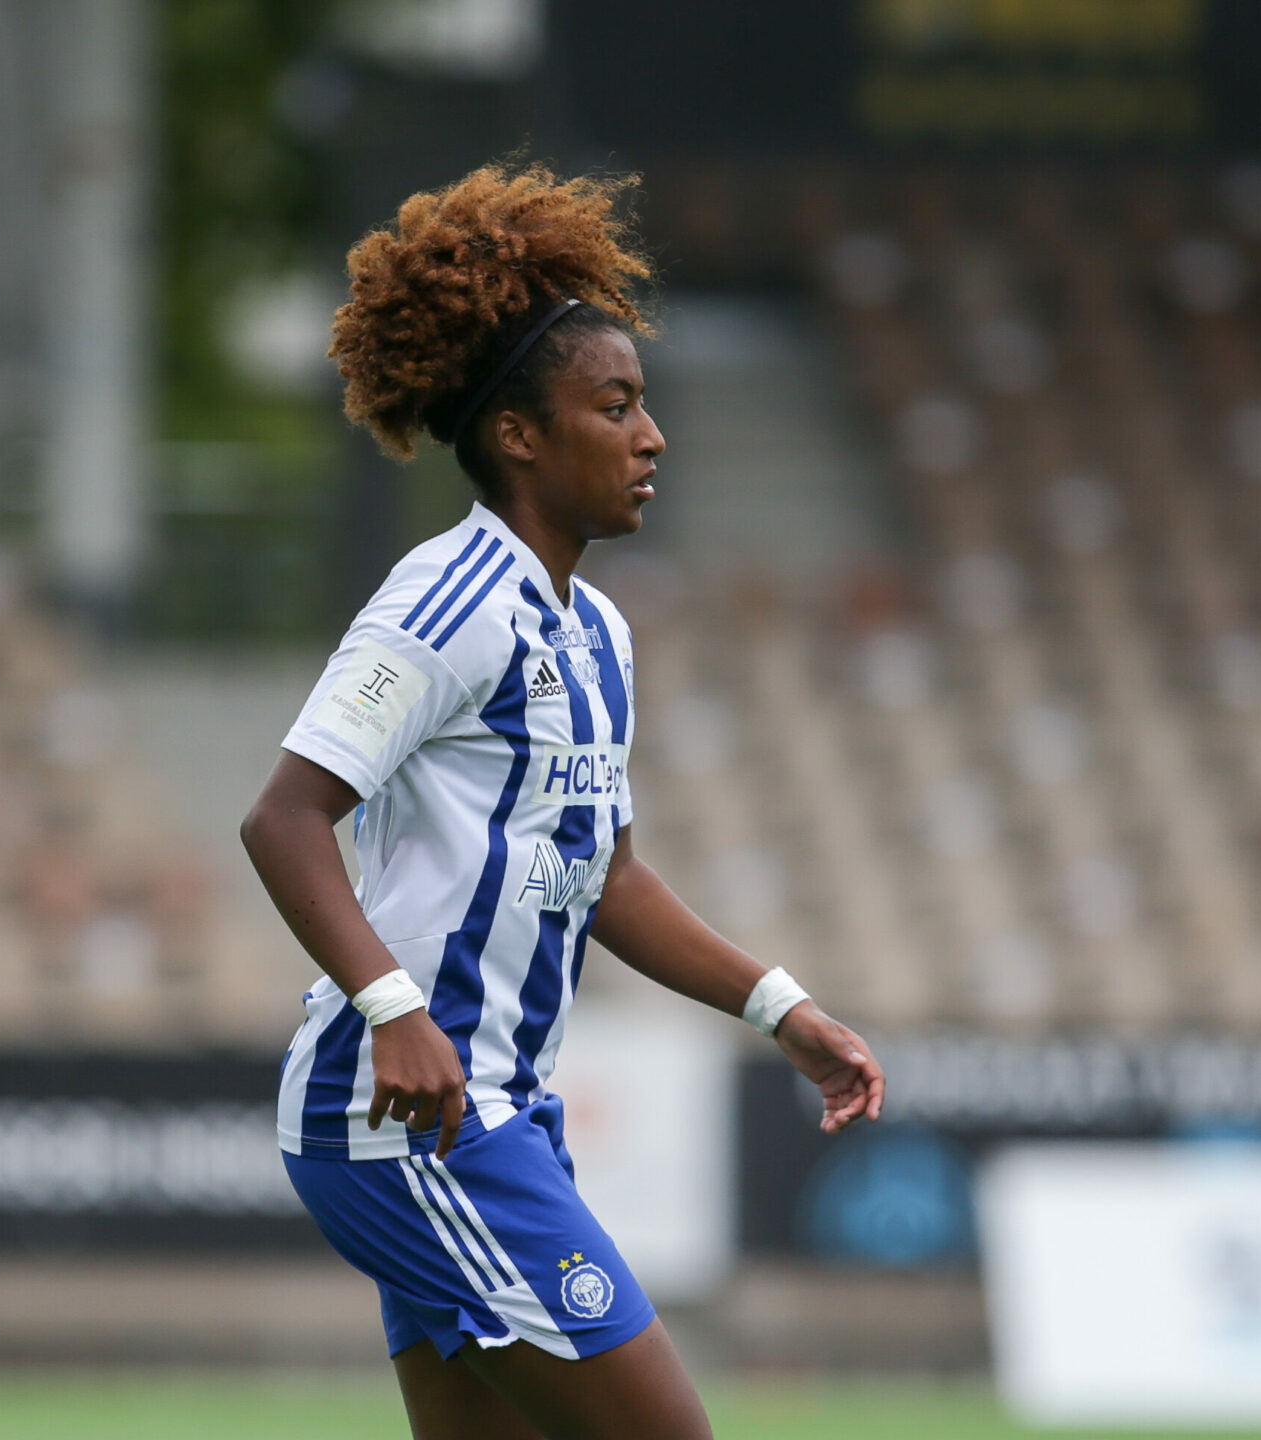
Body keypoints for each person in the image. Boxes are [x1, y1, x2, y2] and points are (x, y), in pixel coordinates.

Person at [240, 163, 885, 1440]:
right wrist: (393, 1010)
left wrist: (780, 1007)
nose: (652, 437)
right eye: (616, 405)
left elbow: (611, 878)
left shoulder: (594, 632)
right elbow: (283, 816)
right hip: (413, 1119)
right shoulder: (448, 598)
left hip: (496, 1116)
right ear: (520, 437)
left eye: (644, 406)